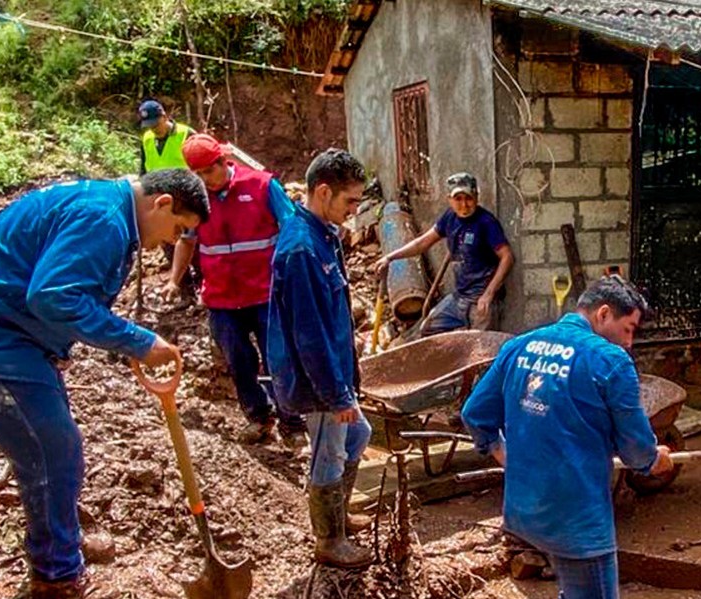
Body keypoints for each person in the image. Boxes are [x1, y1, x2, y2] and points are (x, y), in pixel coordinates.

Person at [0, 170, 210, 599]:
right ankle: (57, 578)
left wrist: (55, 340)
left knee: (53, 443)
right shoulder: (105, 219)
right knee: (51, 449)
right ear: (162, 202)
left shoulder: (105, 207)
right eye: (178, 229)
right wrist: (139, 341)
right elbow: (54, 296)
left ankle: (60, 542)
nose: (171, 241)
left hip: (0, 331)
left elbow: (47, 284)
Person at [460, 275, 674, 599]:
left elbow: (475, 412)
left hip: (526, 513)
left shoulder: (521, 345)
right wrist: (657, 458)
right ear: (602, 315)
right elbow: (638, 452)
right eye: (629, 327)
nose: (630, 339)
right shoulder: (610, 361)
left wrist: (500, 452)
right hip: (578, 522)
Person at [268, 149, 374, 569]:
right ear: (324, 192)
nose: (353, 210)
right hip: (315, 379)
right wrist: (336, 394)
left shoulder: (322, 233)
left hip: (332, 370)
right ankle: (329, 540)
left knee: (358, 435)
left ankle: (339, 516)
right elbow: (309, 336)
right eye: (349, 201)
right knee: (328, 452)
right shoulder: (301, 250)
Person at [163, 134, 306, 447]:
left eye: (209, 172)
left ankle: (292, 423)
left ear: (223, 162)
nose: (205, 181)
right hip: (222, 298)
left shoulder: (262, 186)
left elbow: (293, 228)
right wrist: (175, 280)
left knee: (278, 358)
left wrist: (295, 274)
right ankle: (258, 416)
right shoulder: (195, 200)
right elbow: (187, 240)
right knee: (238, 360)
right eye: (197, 175)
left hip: (266, 293)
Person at [374, 173, 514, 335]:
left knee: (480, 347)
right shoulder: (449, 218)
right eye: (458, 199)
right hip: (459, 296)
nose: (464, 205)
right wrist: (390, 257)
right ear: (449, 199)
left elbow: (507, 257)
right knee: (427, 329)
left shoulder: (486, 222)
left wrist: (488, 294)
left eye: (468, 198)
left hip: (481, 300)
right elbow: (422, 243)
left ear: (476, 197)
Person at [138, 100, 195, 172]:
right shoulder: (147, 138)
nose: (153, 129)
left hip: (183, 182)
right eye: (149, 126)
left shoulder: (186, 134)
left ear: (164, 117)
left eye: (156, 125)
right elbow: (143, 168)